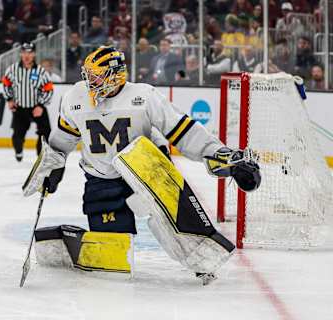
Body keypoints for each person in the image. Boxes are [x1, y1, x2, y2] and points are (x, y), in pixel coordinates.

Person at [22, 46, 260, 283]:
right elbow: (62, 140)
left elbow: (183, 131)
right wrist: (51, 168)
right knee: (114, 257)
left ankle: (200, 255)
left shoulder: (144, 96)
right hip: (101, 180)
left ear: (113, 75)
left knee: (171, 220)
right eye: (88, 75)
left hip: (147, 172)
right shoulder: (75, 97)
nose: (89, 81)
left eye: (95, 75)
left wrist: (220, 155)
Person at [2, 42, 54, 161]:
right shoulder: (12, 69)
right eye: (25, 52)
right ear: (20, 54)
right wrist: (9, 99)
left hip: (37, 107)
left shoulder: (41, 71)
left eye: (30, 53)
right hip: (20, 108)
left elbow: (49, 89)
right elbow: (6, 84)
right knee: (17, 135)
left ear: (34, 54)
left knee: (46, 133)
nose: (27, 55)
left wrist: (41, 105)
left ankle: (41, 157)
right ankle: (19, 152)